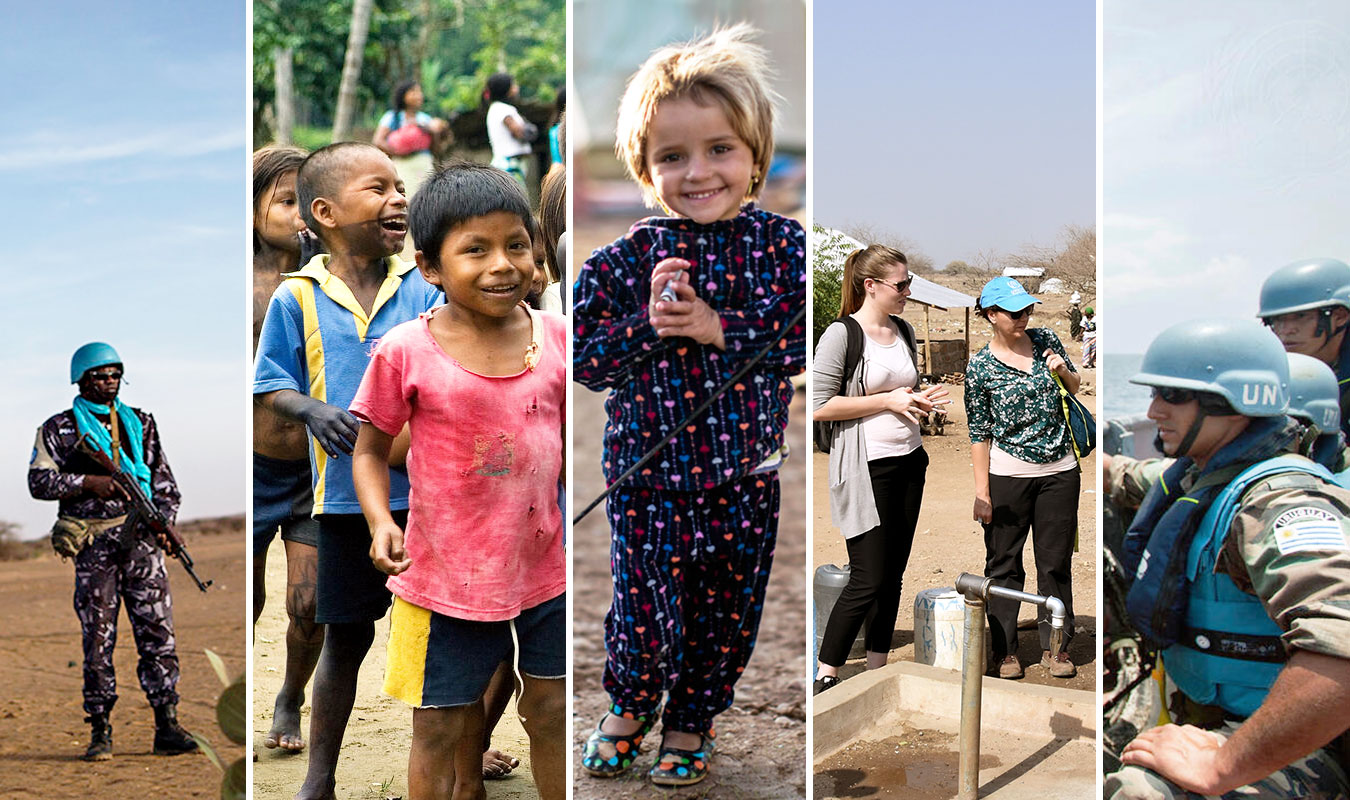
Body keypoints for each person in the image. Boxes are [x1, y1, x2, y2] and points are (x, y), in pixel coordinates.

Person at [573, 24, 806, 786]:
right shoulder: (620, 262)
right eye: (673, 156)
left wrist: (717, 327)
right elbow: (583, 360)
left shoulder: (786, 250)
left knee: (725, 618)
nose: (698, 171)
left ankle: (691, 721)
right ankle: (630, 707)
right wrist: (647, 324)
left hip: (747, 481)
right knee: (644, 617)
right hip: (648, 487)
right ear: (644, 167)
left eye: (719, 150)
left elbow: (813, 346)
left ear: (755, 156)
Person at [349, 160, 566, 800]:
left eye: (516, 245)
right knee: (439, 728)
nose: (502, 264)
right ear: (430, 267)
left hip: (541, 571)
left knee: (550, 712)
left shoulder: (557, 339)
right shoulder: (404, 351)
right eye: (476, 249)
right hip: (443, 577)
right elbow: (368, 451)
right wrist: (382, 522)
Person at [253, 141, 442, 800]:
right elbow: (271, 381)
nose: (398, 199)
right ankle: (320, 779)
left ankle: (452, 763)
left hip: (434, 495)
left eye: (399, 187)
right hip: (341, 503)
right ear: (326, 213)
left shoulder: (425, 282)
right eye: (379, 188)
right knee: (344, 640)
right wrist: (310, 411)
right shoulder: (296, 297)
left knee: (443, 639)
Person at [1103, 319, 1350, 799]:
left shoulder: (1278, 500)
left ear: (1235, 401)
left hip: (1307, 740)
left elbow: (1342, 643)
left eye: (1172, 395)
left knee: (1142, 790)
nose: (1152, 410)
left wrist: (1223, 767)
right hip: (1218, 710)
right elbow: (1132, 476)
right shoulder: (1202, 474)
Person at [28, 343, 198, 761]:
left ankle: (167, 725)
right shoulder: (59, 429)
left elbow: (162, 480)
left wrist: (166, 523)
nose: (108, 382)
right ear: (82, 380)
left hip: (141, 544)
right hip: (94, 547)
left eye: (114, 374)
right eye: (100, 376)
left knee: (158, 635)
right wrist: (88, 483)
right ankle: (101, 730)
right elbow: (38, 482)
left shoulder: (140, 422)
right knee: (98, 640)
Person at [810, 244, 949, 694]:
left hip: (910, 460)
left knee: (893, 573)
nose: (908, 291)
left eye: (909, 282)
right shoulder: (842, 334)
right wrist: (887, 400)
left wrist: (918, 400)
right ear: (871, 285)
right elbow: (819, 406)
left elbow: (904, 387)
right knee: (867, 574)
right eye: (902, 284)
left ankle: (876, 666)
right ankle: (827, 673)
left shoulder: (904, 330)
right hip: (866, 467)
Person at [965, 276, 1082, 679]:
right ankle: (1006, 651)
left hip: (1060, 471)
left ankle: (1057, 649)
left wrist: (1062, 370)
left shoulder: (1047, 338)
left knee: (1055, 563)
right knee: (1004, 565)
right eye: (1015, 312)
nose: (1024, 318)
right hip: (1009, 474)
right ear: (992, 315)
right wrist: (982, 492)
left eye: (1028, 310)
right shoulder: (979, 367)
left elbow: (1075, 387)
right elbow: (979, 432)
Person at [251, 144, 327, 753]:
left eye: (309, 201)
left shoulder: (329, 277)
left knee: (308, 605)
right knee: (246, 600)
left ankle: (289, 698)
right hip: (253, 471)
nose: (300, 213)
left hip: (311, 469)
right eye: (285, 201)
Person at [1258, 258, 1350, 438]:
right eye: (1277, 320)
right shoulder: (1266, 375)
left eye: (1300, 316)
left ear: (1340, 317)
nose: (1285, 330)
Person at [373, 80, 449, 202]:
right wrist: (398, 152)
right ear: (403, 96)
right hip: (401, 165)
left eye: (419, 92)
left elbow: (435, 149)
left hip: (423, 165)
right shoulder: (392, 117)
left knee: (425, 200)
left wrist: (434, 132)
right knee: (405, 199)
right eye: (413, 92)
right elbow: (378, 140)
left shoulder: (425, 118)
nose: (418, 95)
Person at [484, 72, 535, 190]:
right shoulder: (503, 109)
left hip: (505, 163)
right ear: (505, 89)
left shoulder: (495, 108)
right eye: (514, 85)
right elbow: (518, 132)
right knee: (519, 200)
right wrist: (531, 130)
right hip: (509, 164)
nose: (517, 88)